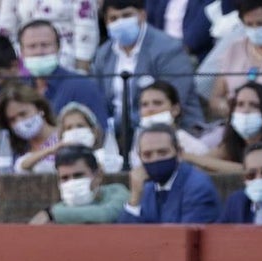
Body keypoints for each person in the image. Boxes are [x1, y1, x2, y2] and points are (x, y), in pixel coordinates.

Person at [90, 0, 205, 133]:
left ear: (142, 15)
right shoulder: (103, 54)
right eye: (113, 18)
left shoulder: (169, 49)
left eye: (127, 16)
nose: (120, 22)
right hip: (115, 136)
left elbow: (171, 101)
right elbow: (98, 99)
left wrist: (115, 125)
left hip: (172, 131)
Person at [207, 0, 262, 118]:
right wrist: (225, 107)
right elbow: (216, 97)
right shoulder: (234, 49)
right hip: (235, 125)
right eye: (249, 24)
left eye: (260, 24)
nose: (255, 29)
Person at [118, 124, 221, 223]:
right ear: (140, 158)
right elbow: (123, 237)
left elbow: (186, 237)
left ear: (179, 153)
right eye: (147, 154)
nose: (155, 159)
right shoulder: (146, 189)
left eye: (162, 153)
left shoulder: (197, 187)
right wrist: (135, 198)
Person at [15, 19, 107, 128]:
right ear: (21, 51)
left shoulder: (82, 86)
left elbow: (100, 131)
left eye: (45, 45)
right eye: (32, 46)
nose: (39, 52)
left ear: (58, 48)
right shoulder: (17, 89)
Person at [185, 82, 262, 174]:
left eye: (254, 105)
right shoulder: (233, 141)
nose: (246, 110)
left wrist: (189, 157)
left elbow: (251, 169)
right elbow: (202, 164)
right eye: (240, 104)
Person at [28, 144, 130, 224]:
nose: (71, 182)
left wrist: (51, 214)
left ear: (98, 175)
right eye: (65, 178)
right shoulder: (61, 208)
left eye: (78, 175)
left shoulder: (116, 192)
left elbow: (105, 214)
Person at [0, 0, 99, 71]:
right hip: (24, 58)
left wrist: (81, 70)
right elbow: (5, 27)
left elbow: (86, 29)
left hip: (68, 59)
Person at [133, 80, 209, 162]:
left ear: (175, 110)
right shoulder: (137, 139)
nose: (150, 109)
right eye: (144, 105)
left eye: (157, 103)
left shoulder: (194, 147)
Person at [0, 82, 60, 173]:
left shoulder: (64, 137)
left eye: (23, 114)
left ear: (40, 108)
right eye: (12, 120)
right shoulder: (14, 151)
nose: (19, 122)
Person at [57, 101, 122, 172]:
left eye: (80, 126)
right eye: (69, 128)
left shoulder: (109, 160)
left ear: (93, 131)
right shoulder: (58, 165)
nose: (75, 131)